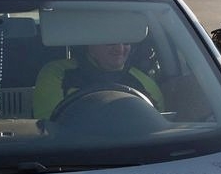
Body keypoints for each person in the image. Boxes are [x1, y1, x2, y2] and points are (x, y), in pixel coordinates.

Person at [32, 42, 164, 120]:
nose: (119, 48)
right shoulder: (57, 73)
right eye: (110, 41)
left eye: (126, 42)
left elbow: (159, 125)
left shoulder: (144, 82)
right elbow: (49, 127)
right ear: (90, 42)